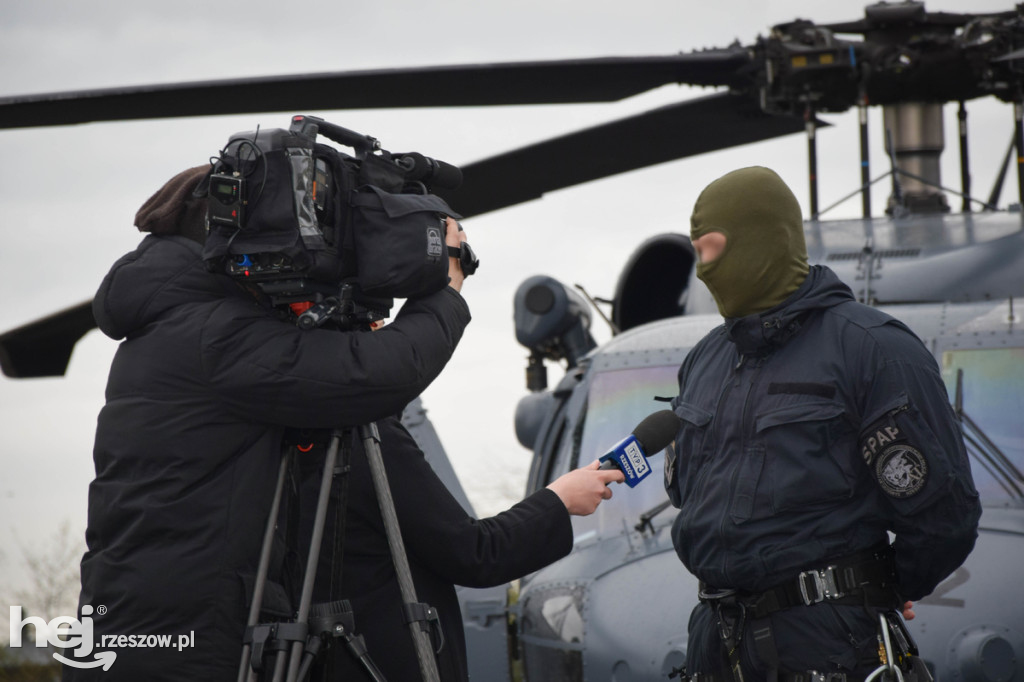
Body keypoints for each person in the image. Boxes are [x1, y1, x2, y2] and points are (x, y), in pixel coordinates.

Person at [66, 166, 623, 681]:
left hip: (132, 627)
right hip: (183, 641)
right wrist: (449, 285)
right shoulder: (215, 334)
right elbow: (374, 374)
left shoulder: (167, 328)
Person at [663, 166, 980, 681]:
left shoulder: (874, 349)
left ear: (764, 241)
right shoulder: (705, 360)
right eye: (697, 251)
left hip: (826, 645)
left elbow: (946, 517)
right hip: (716, 642)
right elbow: (694, 498)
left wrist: (878, 588)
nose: (704, 268)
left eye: (714, 248)